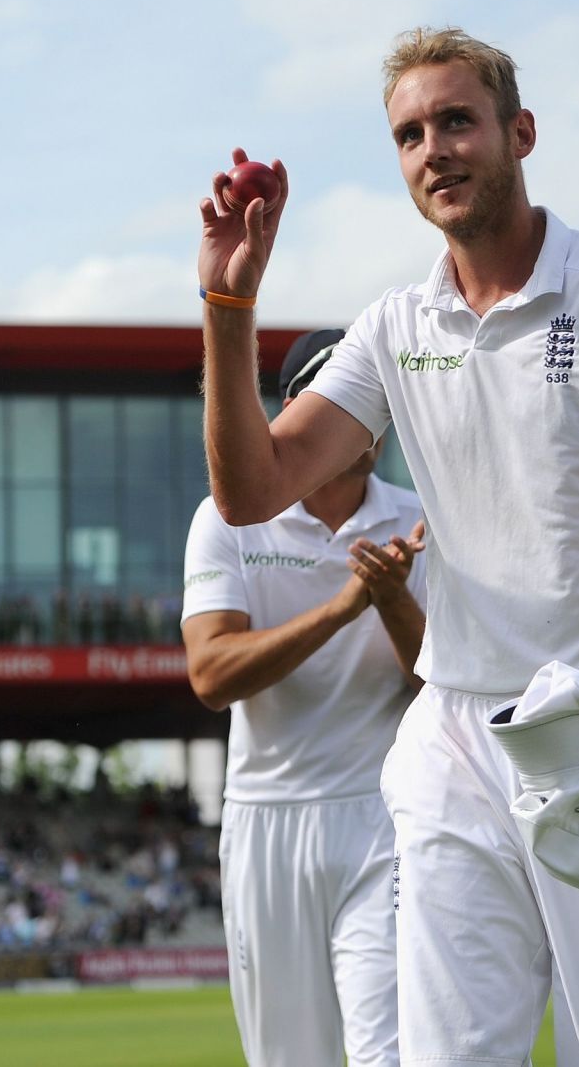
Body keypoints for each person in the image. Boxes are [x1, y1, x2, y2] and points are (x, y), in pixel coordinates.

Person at [193, 26, 579, 1064]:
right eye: (410, 134)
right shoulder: (392, 324)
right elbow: (252, 490)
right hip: (455, 736)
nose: (434, 151)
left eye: (457, 121)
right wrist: (229, 304)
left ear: (521, 132)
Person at [181, 328, 428, 1066]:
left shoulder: (420, 518)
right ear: (296, 412)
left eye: (374, 408)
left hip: (384, 817)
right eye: (345, 403)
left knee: (389, 1053)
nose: (365, 425)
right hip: (267, 823)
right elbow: (212, 676)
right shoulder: (226, 520)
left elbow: (441, 682)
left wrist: (390, 600)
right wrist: (343, 607)